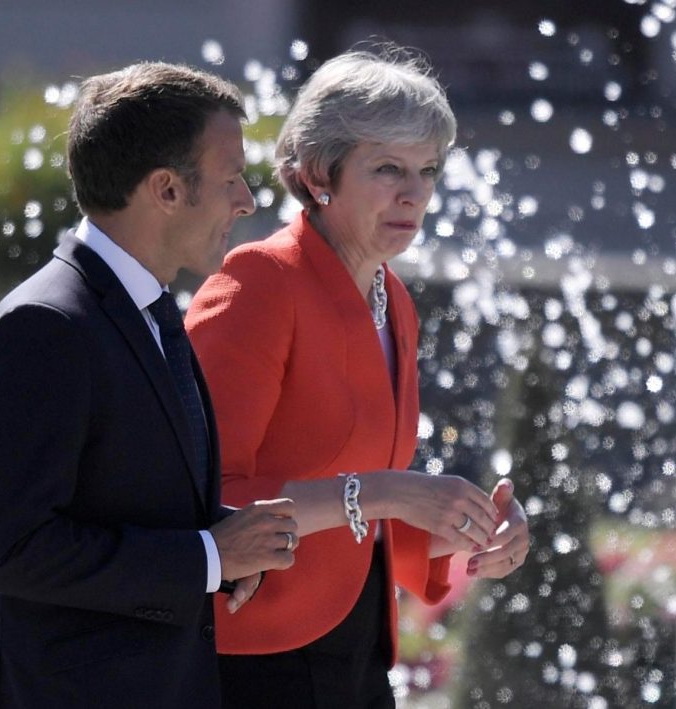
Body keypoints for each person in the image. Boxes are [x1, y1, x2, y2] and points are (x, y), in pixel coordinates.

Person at [186, 49, 531, 708]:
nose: (413, 193)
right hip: (255, 656)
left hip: (354, 647)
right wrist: (380, 491)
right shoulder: (259, 281)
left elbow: (367, 517)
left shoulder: (393, 299)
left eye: (426, 170)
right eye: (386, 169)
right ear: (318, 174)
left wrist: (471, 526)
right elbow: (201, 493)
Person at [0, 62, 299, 709]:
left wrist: (228, 540)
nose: (248, 201)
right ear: (166, 189)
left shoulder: (151, 306)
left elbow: (123, 503)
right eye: (230, 179)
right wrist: (204, 556)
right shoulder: (45, 325)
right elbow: (20, 548)